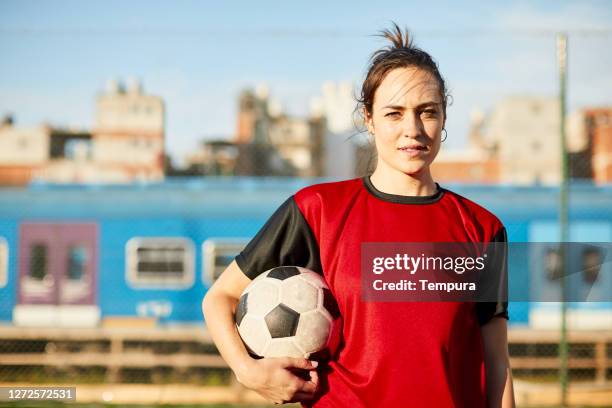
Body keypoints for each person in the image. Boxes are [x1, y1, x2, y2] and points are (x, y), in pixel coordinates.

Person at [202, 23, 515, 407]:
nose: (412, 129)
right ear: (368, 119)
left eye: (427, 112)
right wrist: (248, 372)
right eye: (394, 114)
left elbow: (497, 361)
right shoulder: (318, 210)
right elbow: (220, 297)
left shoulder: (482, 229)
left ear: (444, 117)